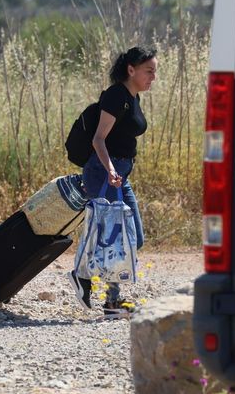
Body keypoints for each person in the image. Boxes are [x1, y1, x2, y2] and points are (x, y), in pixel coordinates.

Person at [68, 46, 156, 317]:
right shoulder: (116, 95)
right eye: (148, 71)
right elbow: (98, 139)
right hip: (104, 172)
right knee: (111, 236)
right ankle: (97, 289)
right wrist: (109, 170)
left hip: (119, 175)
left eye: (155, 71)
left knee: (133, 237)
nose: (153, 76)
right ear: (131, 70)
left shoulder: (134, 97)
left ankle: (106, 295)